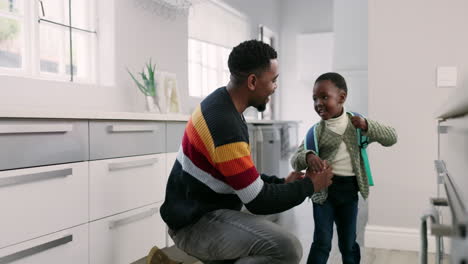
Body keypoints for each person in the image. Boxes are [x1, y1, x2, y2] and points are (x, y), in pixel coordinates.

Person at [148, 40, 333, 264]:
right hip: (193, 224)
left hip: (197, 212)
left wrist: (283, 182)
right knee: (286, 248)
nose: (275, 87)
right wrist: (310, 185)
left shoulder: (222, 102)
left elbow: (243, 179)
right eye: (273, 81)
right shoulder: (226, 124)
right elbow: (257, 201)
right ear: (253, 81)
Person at [290, 72, 398, 264]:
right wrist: (308, 156)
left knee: (348, 243)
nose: (318, 103)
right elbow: (295, 160)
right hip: (323, 193)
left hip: (349, 193)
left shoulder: (357, 125)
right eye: (314, 99)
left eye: (324, 97)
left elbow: (391, 137)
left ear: (342, 97)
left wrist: (367, 126)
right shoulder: (316, 131)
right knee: (322, 242)